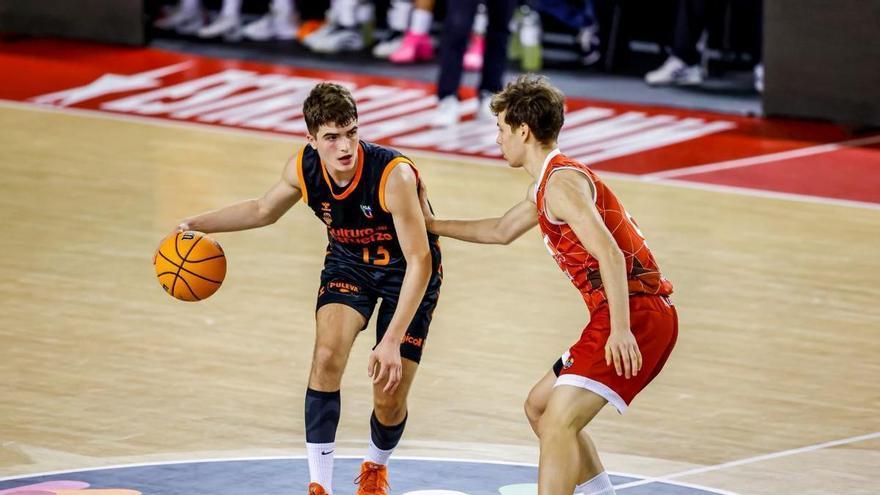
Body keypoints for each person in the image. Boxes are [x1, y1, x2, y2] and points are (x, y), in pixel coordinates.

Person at [160, 83, 442, 495]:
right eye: (331, 137)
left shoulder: (392, 174)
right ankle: (319, 485)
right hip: (349, 263)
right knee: (326, 356)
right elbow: (261, 209)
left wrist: (392, 340)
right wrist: (194, 224)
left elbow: (421, 260)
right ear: (311, 140)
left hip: (407, 272)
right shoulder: (303, 168)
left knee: (388, 395)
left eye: (351, 132)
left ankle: (375, 468)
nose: (344, 146)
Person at [419, 75, 677, 494]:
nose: (497, 138)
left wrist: (620, 329)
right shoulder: (545, 185)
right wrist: (431, 225)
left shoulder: (561, 186)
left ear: (523, 130)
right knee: (540, 407)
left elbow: (610, 253)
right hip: (620, 311)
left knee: (559, 418)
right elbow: (501, 230)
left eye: (501, 129)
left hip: (637, 314)